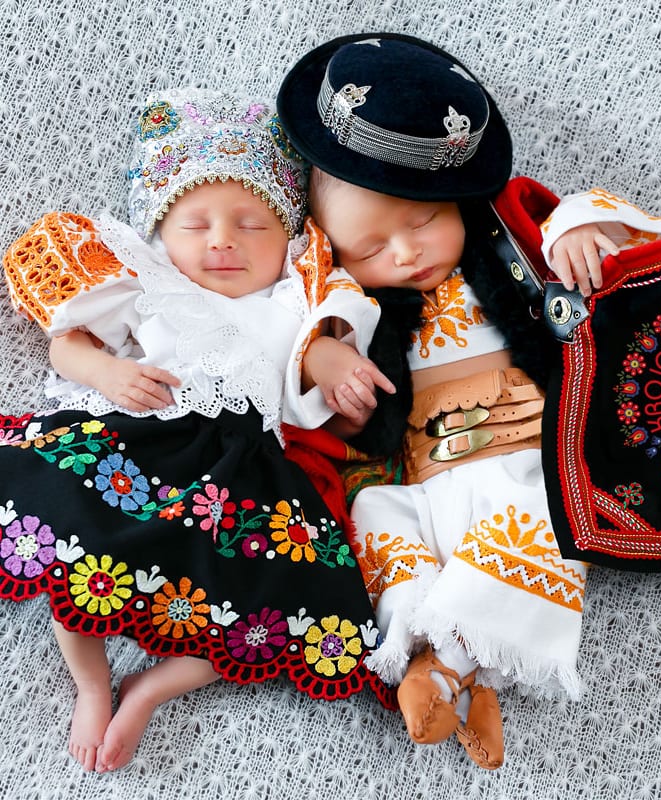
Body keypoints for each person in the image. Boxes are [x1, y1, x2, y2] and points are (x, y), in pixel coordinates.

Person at [277, 32, 661, 771]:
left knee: (541, 524)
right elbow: (301, 353)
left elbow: (565, 219)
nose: (403, 252)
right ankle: (451, 667)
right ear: (334, 250)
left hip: (524, 453)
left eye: (423, 220)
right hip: (417, 472)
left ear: (455, 201)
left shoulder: (509, 245)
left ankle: (452, 668)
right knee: (378, 528)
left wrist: (585, 228)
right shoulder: (346, 301)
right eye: (369, 248)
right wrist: (332, 373)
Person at [0, 88, 396, 774]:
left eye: (252, 223)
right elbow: (67, 342)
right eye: (195, 224)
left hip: (249, 479)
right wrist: (103, 372)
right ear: (157, 236)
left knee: (285, 598)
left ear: (291, 240)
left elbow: (316, 352)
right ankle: (92, 682)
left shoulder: (296, 298)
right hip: (138, 445)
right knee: (71, 536)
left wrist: (339, 371)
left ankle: (151, 687)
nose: (223, 239)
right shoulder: (145, 281)